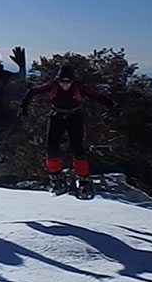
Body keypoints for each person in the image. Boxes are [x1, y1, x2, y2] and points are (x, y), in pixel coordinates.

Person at [20, 65, 115, 198]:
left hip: (74, 117)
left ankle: (83, 180)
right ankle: (56, 179)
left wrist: (111, 105)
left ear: (73, 81)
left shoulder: (78, 87)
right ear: (58, 80)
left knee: (77, 149)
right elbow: (32, 91)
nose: (65, 84)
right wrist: (23, 107)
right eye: (62, 81)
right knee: (51, 149)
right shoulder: (52, 86)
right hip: (57, 116)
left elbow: (96, 96)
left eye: (68, 81)